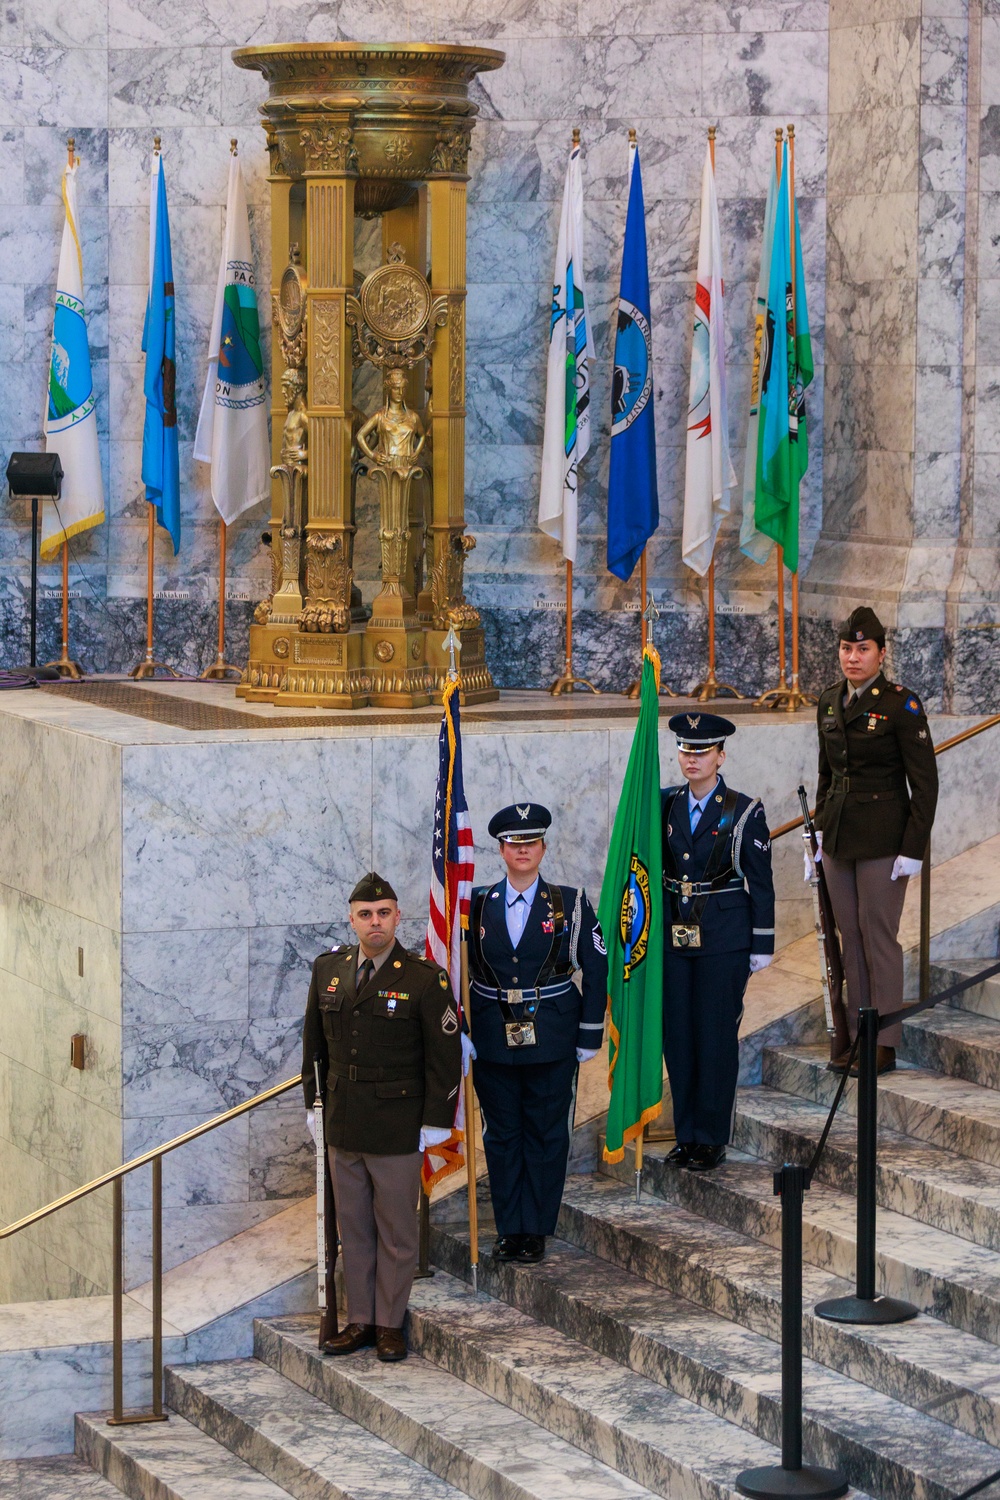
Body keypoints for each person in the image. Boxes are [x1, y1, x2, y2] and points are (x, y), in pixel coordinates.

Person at [301, 872, 461, 1363]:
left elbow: (445, 1055)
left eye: (384, 913)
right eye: (366, 914)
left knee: (395, 1231)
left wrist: (436, 1120)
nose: (375, 922)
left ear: (398, 917)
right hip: (344, 1121)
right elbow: (313, 1046)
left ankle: (390, 1324)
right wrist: (314, 1105)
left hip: (397, 1124)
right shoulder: (329, 969)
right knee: (354, 1229)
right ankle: (360, 1320)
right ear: (352, 920)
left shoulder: (422, 976)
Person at [468, 803, 608, 1264]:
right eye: (513, 842)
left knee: (547, 1135)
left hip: (552, 1037)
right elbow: (455, 969)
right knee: (502, 1136)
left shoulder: (571, 902)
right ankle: (511, 1227)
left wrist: (590, 1033)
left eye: (530, 842)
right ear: (501, 850)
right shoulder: (476, 904)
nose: (522, 849)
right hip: (492, 1039)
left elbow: (597, 965)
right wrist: (462, 1031)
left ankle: (537, 1229)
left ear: (544, 847)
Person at [812, 607, 939, 1075]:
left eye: (863, 649)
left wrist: (913, 849)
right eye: (846, 648)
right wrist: (821, 833)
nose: (853, 657)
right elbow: (827, 775)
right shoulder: (829, 702)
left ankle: (883, 1041)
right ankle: (857, 1035)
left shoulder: (900, 705)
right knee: (849, 939)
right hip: (840, 841)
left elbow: (924, 784)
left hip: (886, 839)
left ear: (881, 654)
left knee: (877, 938)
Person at [662, 712, 775, 1172]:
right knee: (679, 1037)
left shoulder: (744, 810)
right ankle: (686, 1133)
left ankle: (711, 1137)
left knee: (714, 1036)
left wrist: (762, 942)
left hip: (724, 937)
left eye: (702, 751)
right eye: (686, 750)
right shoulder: (664, 803)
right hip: (674, 936)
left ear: (720, 756)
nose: (692, 758)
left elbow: (761, 882)